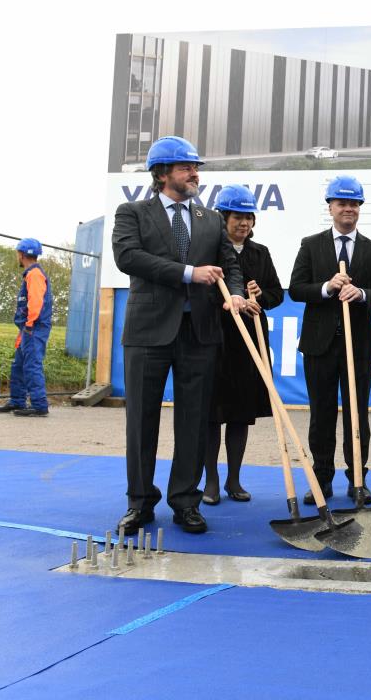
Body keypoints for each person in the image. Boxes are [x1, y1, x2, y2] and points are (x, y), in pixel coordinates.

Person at [112, 135, 246, 536]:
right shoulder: (132, 212)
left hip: (199, 333)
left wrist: (235, 294)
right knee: (141, 421)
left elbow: (230, 266)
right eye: (187, 167)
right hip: (148, 332)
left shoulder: (210, 220)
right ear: (162, 173)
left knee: (194, 421)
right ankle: (139, 503)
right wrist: (189, 273)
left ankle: (186, 502)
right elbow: (128, 257)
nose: (195, 174)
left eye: (196, 168)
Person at [289, 175, 371, 506]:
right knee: (321, 413)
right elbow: (296, 288)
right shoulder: (310, 244)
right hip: (319, 345)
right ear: (330, 207)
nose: (348, 209)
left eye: (354, 204)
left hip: (358, 346)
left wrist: (361, 294)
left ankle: (358, 478)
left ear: (359, 208)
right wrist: (326, 288)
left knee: (357, 414)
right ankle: (321, 478)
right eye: (342, 203)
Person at [202, 185, 283, 505]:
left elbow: (276, 294)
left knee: (240, 413)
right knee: (211, 414)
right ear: (223, 218)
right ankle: (210, 481)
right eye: (238, 217)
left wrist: (260, 296)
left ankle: (233, 480)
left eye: (249, 217)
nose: (244, 223)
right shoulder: (208, 252)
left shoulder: (260, 253)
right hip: (215, 340)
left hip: (249, 343)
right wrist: (229, 300)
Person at [0, 239, 52, 417]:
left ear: (21, 254)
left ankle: (39, 405)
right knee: (18, 365)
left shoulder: (34, 274)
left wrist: (29, 325)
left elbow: (36, 301)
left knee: (32, 365)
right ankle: (17, 400)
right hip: (28, 328)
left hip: (33, 328)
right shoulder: (31, 274)